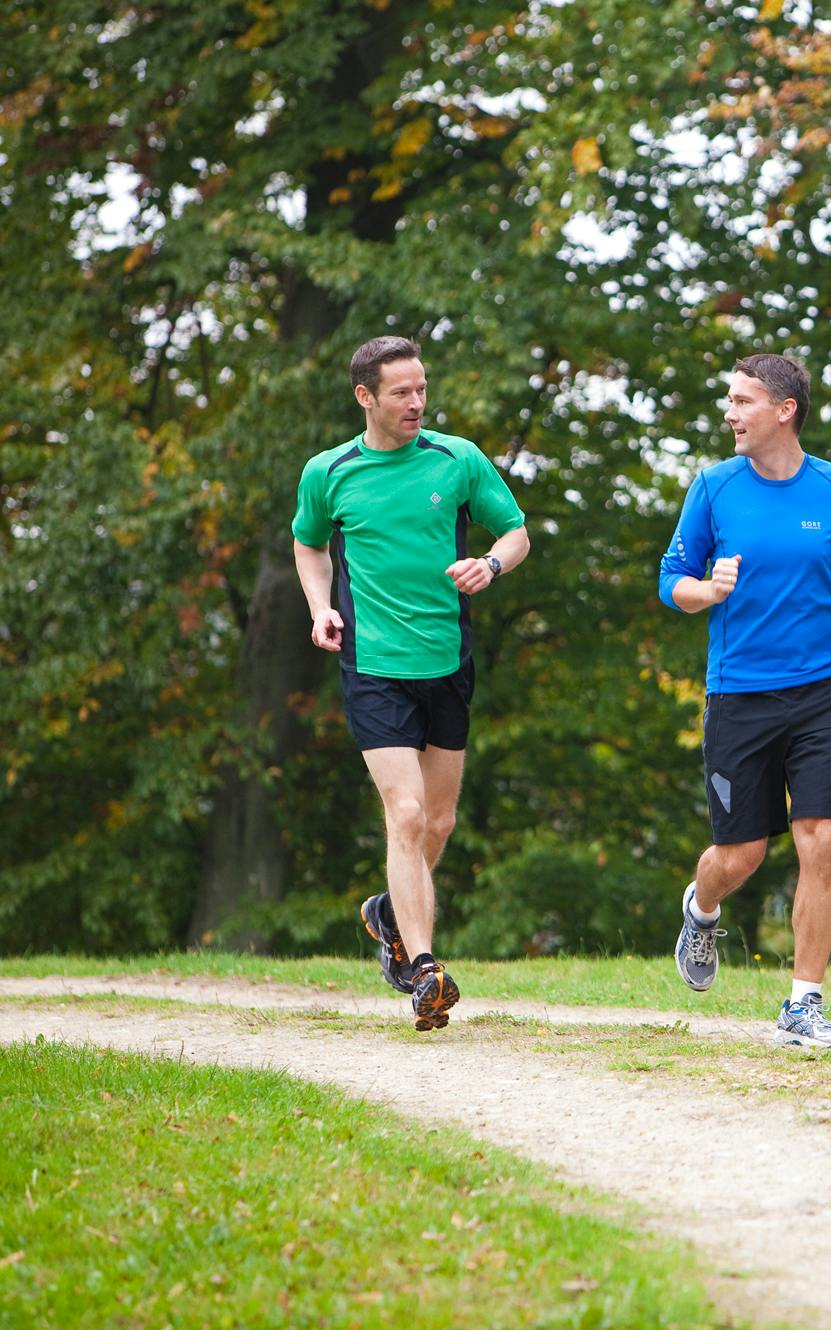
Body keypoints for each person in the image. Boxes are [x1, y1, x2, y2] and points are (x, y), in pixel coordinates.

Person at [658, 353, 831, 1049]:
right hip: (739, 693)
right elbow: (670, 579)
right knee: (738, 856)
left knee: (822, 839)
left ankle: (803, 1003)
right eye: (729, 401)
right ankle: (701, 909)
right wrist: (705, 592)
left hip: (826, 690)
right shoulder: (713, 488)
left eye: (741, 401)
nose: (729, 414)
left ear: (783, 410)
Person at [291, 336, 531, 1031]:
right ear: (365, 396)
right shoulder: (329, 472)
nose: (417, 402)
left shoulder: (456, 459)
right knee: (405, 814)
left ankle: (388, 914)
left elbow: (515, 530)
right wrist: (320, 606)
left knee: (440, 821)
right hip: (374, 667)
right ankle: (423, 967)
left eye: (421, 388)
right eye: (401, 391)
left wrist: (490, 563)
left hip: (447, 661)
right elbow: (308, 542)